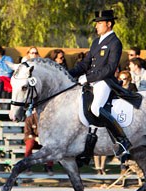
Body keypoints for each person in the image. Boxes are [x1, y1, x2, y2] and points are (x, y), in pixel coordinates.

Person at [68, 9, 132, 160]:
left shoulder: (115, 42)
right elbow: (85, 63)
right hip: (91, 81)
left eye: (100, 23)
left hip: (105, 81)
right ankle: (87, 149)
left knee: (96, 108)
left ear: (109, 24)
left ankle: (122, 141)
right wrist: (68, 73)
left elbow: (110, 68)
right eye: (96, 23)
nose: (96, 26)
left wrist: (88, 78)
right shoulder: (96, 42)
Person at [24, 110, 54, 175]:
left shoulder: (46, 119)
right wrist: (35, 138)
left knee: (50, 145)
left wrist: (43, 138)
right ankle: (27, 166)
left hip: (43, 140)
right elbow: (27, 133)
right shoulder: (29, 119)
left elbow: (49, 132)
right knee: (29, 144)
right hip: (32, 139)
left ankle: (49, 167)